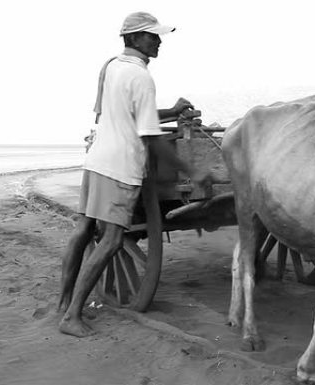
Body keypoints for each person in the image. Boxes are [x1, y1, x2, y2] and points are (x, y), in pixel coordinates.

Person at [58, 11, 210, 337]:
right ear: (135, 38)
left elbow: (120, 112)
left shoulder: (111, 67)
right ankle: (71, 316)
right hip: (121, 167)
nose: (158, 41)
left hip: (98, 158)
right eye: (153, 36)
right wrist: (193, 171)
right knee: (112, 240)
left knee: (84, 229)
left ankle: (62, 303)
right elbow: (151, 137)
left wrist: (171, 110)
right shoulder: (142, 78)